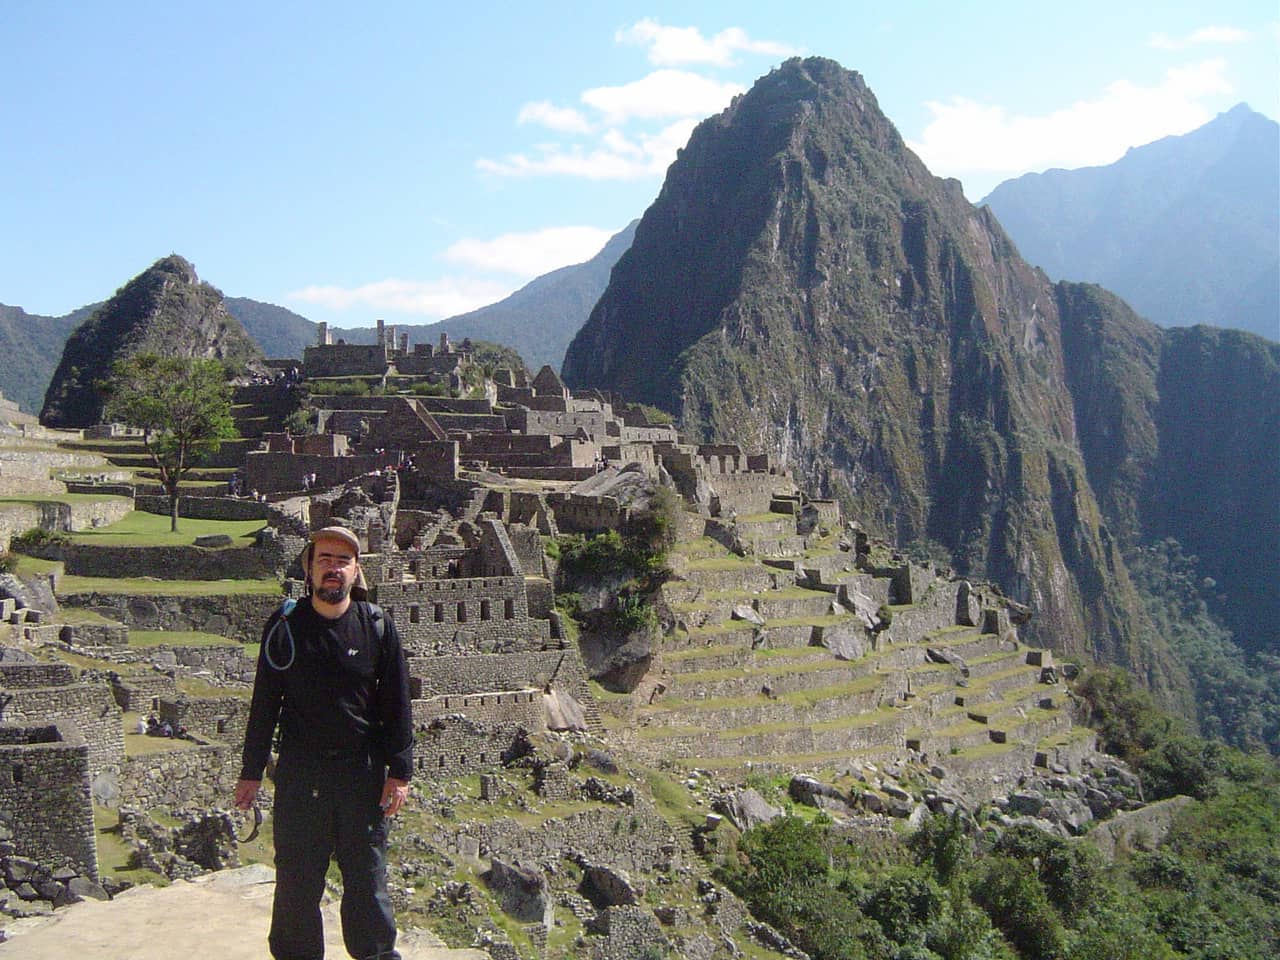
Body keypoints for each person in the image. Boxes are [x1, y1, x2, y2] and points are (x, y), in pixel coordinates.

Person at [235, 526, 413, 960]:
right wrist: (251, 773)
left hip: (361, 778)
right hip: (301, 777)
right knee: (296, 886)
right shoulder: (285, 628)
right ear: (309, 570)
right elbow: (265, 704)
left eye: (342, 561)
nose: (333, 569)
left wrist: (400, 773)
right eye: (324, 560)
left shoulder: (377, 628)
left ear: (356, 570)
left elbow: (397, 705)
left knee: (368, 885)